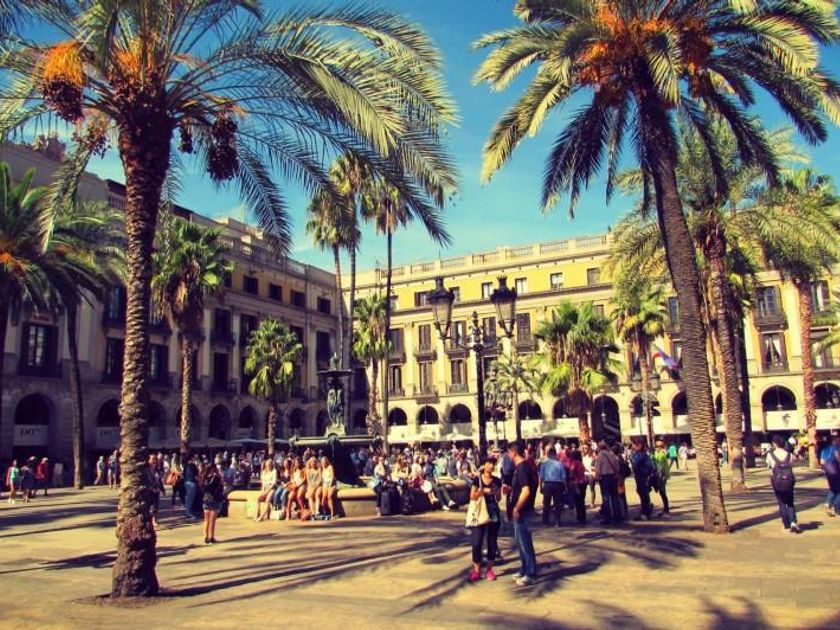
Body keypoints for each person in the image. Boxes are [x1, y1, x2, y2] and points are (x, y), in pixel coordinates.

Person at [508, 440, 538, 587]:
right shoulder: (523, 467)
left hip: (523, 511)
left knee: (525, 542)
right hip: (522, 510)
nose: (508, 455)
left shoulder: (522, 468)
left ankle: (531, 573)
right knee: (521, 542)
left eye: (508, 452)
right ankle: (524, 568)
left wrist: (517, 508)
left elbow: (526, 491)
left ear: (514, 452)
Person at [468, 457, 502, 582]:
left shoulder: (497, 480)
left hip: (493, 513)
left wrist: (497, 493)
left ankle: (489, 570)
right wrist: (482, 492)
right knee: (476, 543)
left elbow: (499, 498)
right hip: (479, 513)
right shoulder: (477, 479)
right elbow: (472, 496)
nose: (491, 466)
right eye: (489, 463)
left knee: (492, 542)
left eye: (493, 464)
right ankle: (477, 570)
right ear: (484, 465)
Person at [766, 434, 800, 533]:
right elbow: (792, 464)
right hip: (789, 481)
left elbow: (769, 466)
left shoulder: (770, 455)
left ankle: (786, 524)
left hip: (777, 481)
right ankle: (793, 522)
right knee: (790, 502)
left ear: (774, 443)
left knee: (781, 503)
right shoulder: (789, 455)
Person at [593, 441, 622, 525]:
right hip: (613, 477)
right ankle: (617, 516)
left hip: (605, 478)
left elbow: (597, 470)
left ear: (599, 448)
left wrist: (596, 478)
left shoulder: (600, 456)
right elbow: (617, 467)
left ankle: (607, 518)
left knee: (606, 498)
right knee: (615, 497)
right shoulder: (612, 455)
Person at [538, 444, 567, 527]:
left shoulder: (544, 464)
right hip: (558, 484)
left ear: (548, 454)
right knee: (557, 504)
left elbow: (541, 477)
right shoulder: (559, 464)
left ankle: (545, 520)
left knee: (546, 503)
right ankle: (557, 521)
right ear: (555, 454)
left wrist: (540, 486)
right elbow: (563, 477)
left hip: (548, 484)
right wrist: (565, 487)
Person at [630, 438, 655, 521]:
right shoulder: (644, 454)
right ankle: (646, 512)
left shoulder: (641, 455)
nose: (634, 446)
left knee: (644, 496)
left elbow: (635, 464)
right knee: (644, 495)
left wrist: (633, 457)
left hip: (642, 477)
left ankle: (645, 513)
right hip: (641, 477)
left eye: (635, 444)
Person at [200, 462, 223, 544]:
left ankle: (205, 537)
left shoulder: (203, 477)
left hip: (205, 499)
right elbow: (220, 487)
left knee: (206, 520)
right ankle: (211, 537)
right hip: (214, 499)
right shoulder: (216, 478)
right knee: (212, 520)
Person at [821, 436, 840, 516]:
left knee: (833, 487)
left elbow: (822, 462)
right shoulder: (835, 447)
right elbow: (838, 457)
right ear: (833, 441)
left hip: (827, 470)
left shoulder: (824, 449)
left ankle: (828, 503)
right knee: (839, 489)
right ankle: (835, 507)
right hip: (835, 470)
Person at [567, 450, 587, 524]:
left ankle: (579, 517)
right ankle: (583, 517)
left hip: (577, 483)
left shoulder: (574, 463)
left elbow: (572, 472)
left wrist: (570, 477)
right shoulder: (581, 463)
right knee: (582, 500)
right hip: (583, 482)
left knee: (578, 501)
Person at [651, 440, 671, 515]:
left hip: (662, 475)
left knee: (662, 492)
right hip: (658, 475)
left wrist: (660, 474)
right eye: (655, 446)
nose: (656, 448)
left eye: (657, 446)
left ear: (660, 447)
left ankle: (666, 509)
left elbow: (660, 465)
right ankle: (665, 509)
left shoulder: (662, 454)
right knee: (661, 492)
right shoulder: (657, 453)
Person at [183, 453, 201, 520]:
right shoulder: (192, 466)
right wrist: (200, 480)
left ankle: (188, 511)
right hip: (192, 483)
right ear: (192, 458)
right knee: (190, 499)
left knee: (188, 498)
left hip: (186, 482)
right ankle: (188, 513)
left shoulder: (186, 465)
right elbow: (195, 476)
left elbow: (183, 475)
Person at [581, 443, 598, 508]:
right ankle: (583, 502)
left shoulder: (592, 457)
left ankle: (592, 503)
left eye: (586, 448)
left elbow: (595, 466)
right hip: (584, 474)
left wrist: (592, 469)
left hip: (591, 474)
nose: (584, 449)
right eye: (584, 448)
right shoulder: (582, 457)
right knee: (583, 489)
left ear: (589, 449)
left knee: (592, 489)